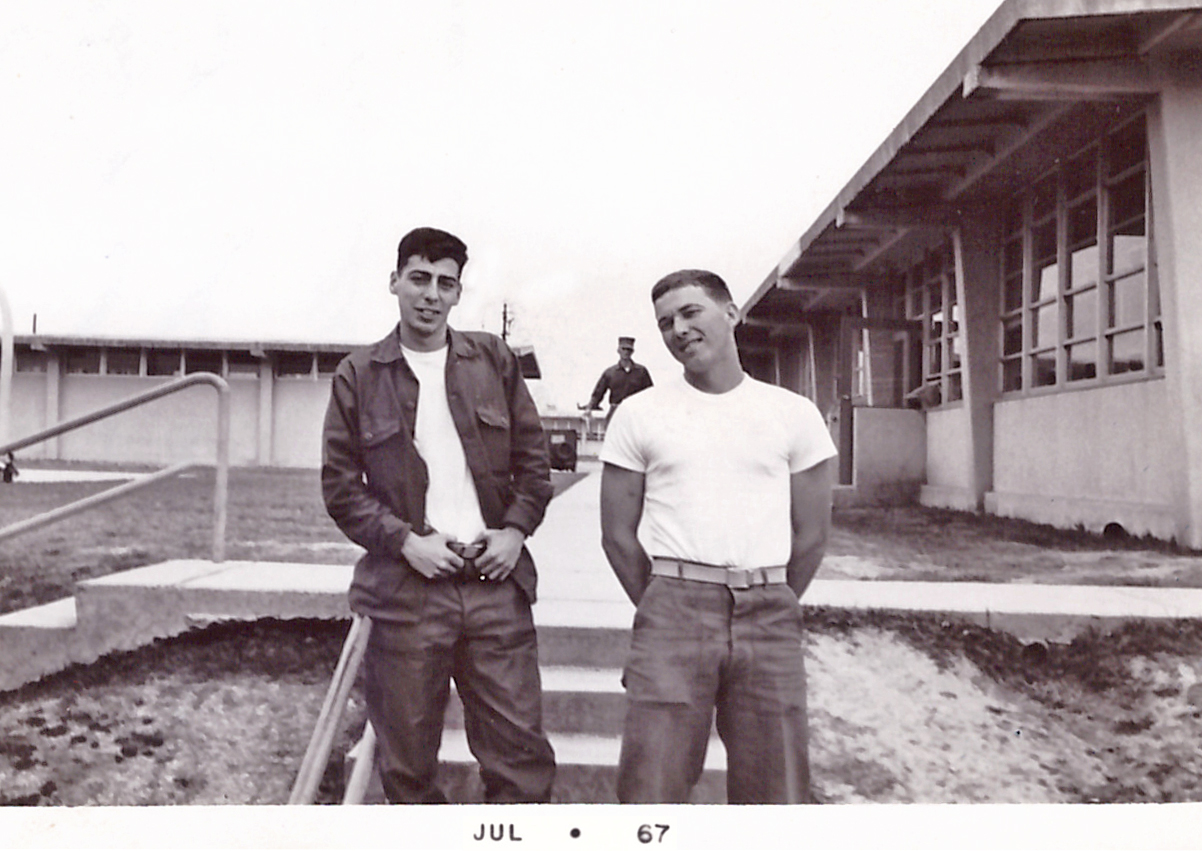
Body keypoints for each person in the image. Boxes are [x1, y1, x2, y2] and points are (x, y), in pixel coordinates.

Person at [321, 226, 556, 804]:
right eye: (419, 278)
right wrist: (405, 542)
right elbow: (341, 487)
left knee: (520, 759)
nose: (431, 294)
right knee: (407, 768)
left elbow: (534, 462)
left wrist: (514, 532)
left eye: (445, 284)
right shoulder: (359, 373)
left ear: (457, 293)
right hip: (406, 592)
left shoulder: (493, 359)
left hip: (494, 585)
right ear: (395, 282)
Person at [599, 269, 837, 804]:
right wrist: (666, 602)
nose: (678, 329)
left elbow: (813, 535)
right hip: (674, 612)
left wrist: (769, 594)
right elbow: (616, 535)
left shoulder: (793, 414)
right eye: (666, 323)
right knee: (651, 787)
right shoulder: (640, 414)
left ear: (731, 313)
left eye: (690, 312)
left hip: (768, 616)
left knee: (776, 792)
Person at [581, 336, 653, 424]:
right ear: (618, 350)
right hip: (615, 412)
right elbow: (598, 394)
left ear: (632, 351)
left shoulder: (641, 371)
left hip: (635, 414)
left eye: (629, 350)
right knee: (611, 431)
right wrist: (589, 408)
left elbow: (650, 394)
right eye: (623, 349)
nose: (626, 352)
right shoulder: (610, 373)